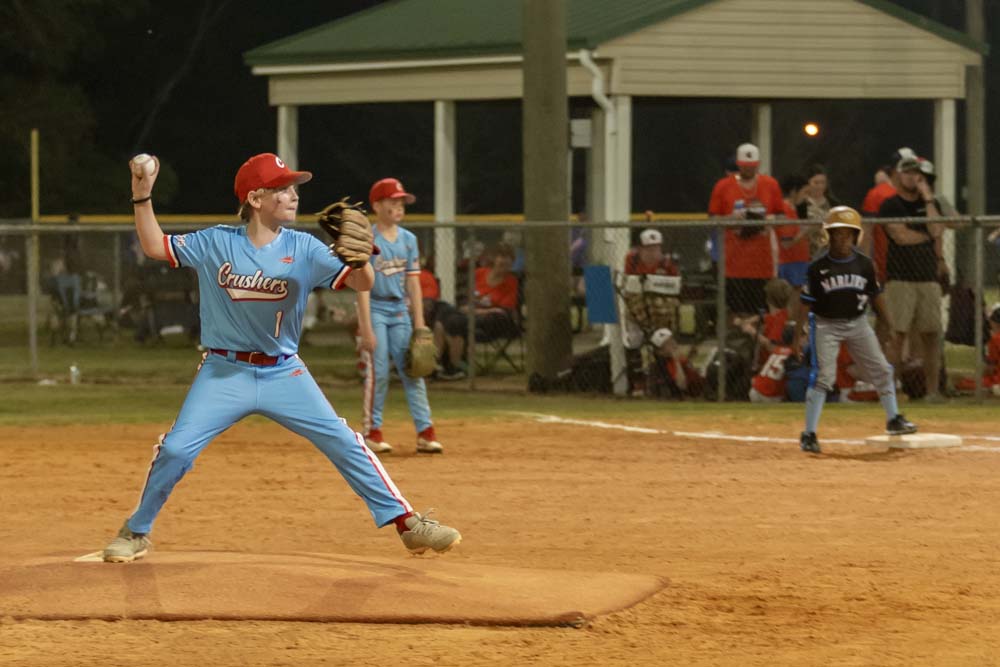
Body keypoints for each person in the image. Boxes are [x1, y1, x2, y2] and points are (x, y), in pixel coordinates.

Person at [101, 154, 460, 563]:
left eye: (293, 188)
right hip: (224, 371)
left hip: (284, 371)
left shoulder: (304, 247)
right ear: (255, 199)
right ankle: (136, 531)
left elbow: (362, 282)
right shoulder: (216, 242)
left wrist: (361, 259)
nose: (293, 195)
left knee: (344, 441)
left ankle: (408, 524)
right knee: (177, 450)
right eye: (282, 189)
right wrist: (142, 195)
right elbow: (154, 245)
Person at [794, 206, 916, 454]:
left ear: (855, 236)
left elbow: (876, 295)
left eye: (847, 233)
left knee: (882, 370)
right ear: (828, 235)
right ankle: (809, 433)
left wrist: (889, 324)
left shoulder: (864, 264)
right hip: (826, 324)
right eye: (837, 233)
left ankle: (894, 419)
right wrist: (799, 334)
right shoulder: (817, 267)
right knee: (824, 377)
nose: (842, 239)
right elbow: (805, 303)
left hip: (858, 323)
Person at [357, 177, 443, 455]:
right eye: (392, 202)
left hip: (400, 311)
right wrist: (366, 327)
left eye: (401, 202)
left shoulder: (409, 240)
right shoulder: (368, 240)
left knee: (413, 369)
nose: (399, 206)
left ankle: (425, 432)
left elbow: (413, 283)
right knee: (378, 371)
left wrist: (419, 323)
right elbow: (362, 285)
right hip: (376, 309)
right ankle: (372, 431)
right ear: (376, 206)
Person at [878, 155, 948, 403]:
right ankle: (891, 391)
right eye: (907, 173)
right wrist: (926, 235)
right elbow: (901, 236)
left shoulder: (930, 203)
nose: (911, 178)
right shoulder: (891, 205)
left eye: (915, 173)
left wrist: (927, 197)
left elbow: (937, 229)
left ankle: (932, 392)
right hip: (900, 278)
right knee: (898, 335)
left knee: (931, 335)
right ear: (898, 176)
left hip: (927, 277)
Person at [708, 143, 784, 318]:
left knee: (762, 311)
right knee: (735, 311)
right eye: (745, 166)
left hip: (762, 261)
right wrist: (731, 219)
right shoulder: (723, 186)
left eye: (752, 166)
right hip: (734, 261)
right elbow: (712, 219)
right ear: (738, 164)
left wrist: (769, 221)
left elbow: (781, 215)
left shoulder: (770, 184)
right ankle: (738, 332)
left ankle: (756, 333)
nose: (749, 170)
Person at [434, 242, 520, 380]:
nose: (505, 262)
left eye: (508, 259)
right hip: (469, 315)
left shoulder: (511, 281)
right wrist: (466, 306)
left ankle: (454, 366)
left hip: (492, 321)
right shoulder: (479, 274)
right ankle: (436, 363)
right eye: (501, 257)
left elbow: (504, 309)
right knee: (444, 313)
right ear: (493, 259)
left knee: (454, 322)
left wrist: (478, 311)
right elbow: (465, 297)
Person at [644, 327, 703, 399]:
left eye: (673, 340)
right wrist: (677, 361)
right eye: (668, 343)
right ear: (660, 352)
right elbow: (682, 385)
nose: (674, 344)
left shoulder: (678, 358)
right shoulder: (664, 365)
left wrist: (689, 358)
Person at [776, 174, 810, 290]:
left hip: (798, 261)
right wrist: (806, 230)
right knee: (792, 297)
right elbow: (786, 243)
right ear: (794, 192)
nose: (806, 198)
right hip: (790, 263)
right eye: (805, 193)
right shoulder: (785, 210)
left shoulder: (795, 209)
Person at [749, 325, 796, 403]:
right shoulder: (793, 354)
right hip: (770, 395)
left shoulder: (776, 350)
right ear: (795, 339)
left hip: (755, 390)